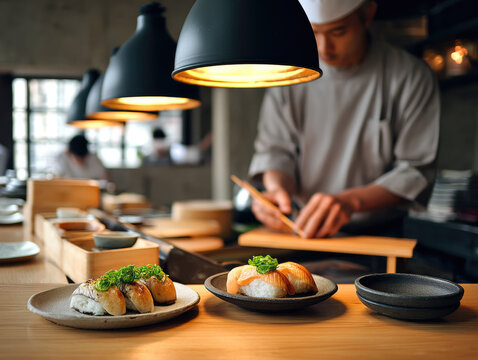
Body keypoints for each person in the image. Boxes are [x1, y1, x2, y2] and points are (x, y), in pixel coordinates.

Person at [249, 0, 440, 239]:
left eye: (338, 31)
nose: (323, 47)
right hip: (302, 232)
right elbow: (275, 153)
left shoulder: (410, 76)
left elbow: (415, 171)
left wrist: (351, 202)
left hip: (379, 236)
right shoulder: (290, 76)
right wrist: (277, 190)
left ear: (367, 14)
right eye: (313, 32)